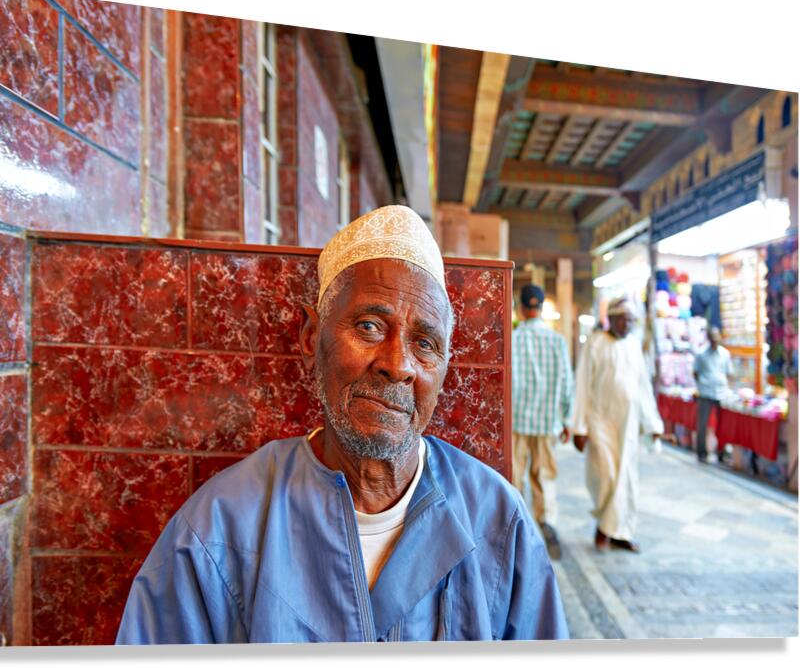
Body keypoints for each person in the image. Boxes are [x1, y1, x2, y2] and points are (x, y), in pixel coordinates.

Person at [115, 205, 569, 644]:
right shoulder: (220, 528)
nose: (398, 366)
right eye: (370, 326)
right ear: (312, 336)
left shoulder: (496, 519)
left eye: (425, 343)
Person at [571, 296, 663, 554]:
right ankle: (607, 527)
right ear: (611, 319)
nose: (629, 325)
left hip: (628, 425)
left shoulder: (635, 346)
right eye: (624, 319)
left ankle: (620, 532)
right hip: (599, 421)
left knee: (626, 478)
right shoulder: (596, 343)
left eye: (632, 320)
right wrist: (579, 427)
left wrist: (653, 423)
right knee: (606, 475)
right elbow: (582, 385)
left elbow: (643, 388)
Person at [511, 284, 574, 561]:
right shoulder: (556, 340)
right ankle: (547, 520)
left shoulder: (512, 339)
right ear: (540, 309)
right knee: (544, 475)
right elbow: (566, 382)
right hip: (547, 421)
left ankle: (514, 528)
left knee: (514, 476)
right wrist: (566, 418)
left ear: (521, 308)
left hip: (516, 421)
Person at [693, 326, 734, 463]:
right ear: (709, 338)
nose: (715, 340)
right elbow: (696, 372)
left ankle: (722, 452)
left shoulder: (725, 354)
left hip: (721, 392)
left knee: (723, 424)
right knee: (703, 424)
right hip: (705, 392)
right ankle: (701, 452)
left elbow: (729, 373)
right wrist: (701, 385)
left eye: (717, 337)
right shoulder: (701, 354)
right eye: (712, 337)